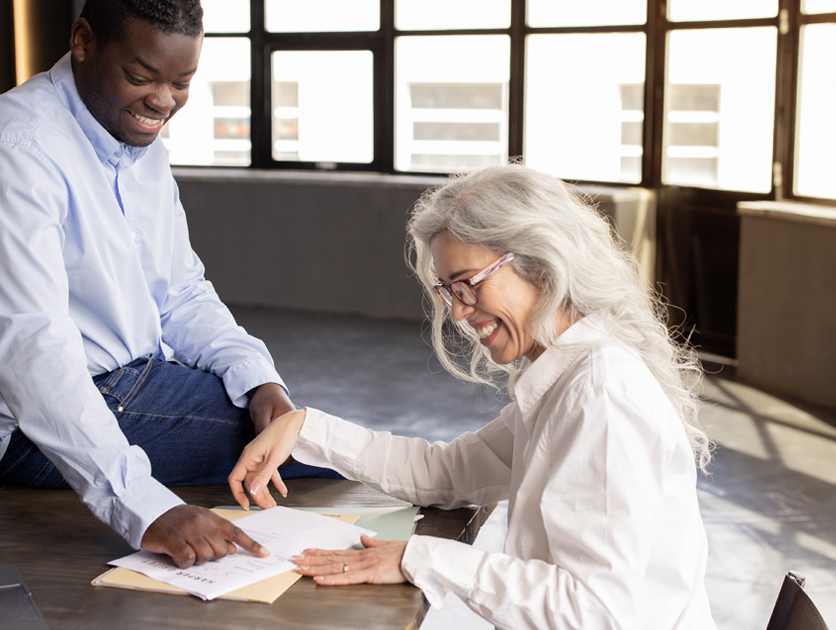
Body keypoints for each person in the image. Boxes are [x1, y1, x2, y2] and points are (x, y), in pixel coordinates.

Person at [0, 0, 333, 569]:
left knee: (304, 434)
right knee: (330, 452)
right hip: (30, 433)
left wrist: (257, 376)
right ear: (83, 41)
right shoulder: (11, 150)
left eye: (182, 83)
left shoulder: (136, 140)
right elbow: (31, 348)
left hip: (134, 384)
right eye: (141, 77)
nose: (163, 102)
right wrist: (145, 508)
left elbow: (181, 292)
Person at [229, 164, 716, 629]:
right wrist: (305, 426)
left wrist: (421, 557)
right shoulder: (567, 377)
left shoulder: (600, 395)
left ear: (542, 266)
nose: (459, 314)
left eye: (468, 285)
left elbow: (594, 611)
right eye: (448, 291)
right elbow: (448, 473)